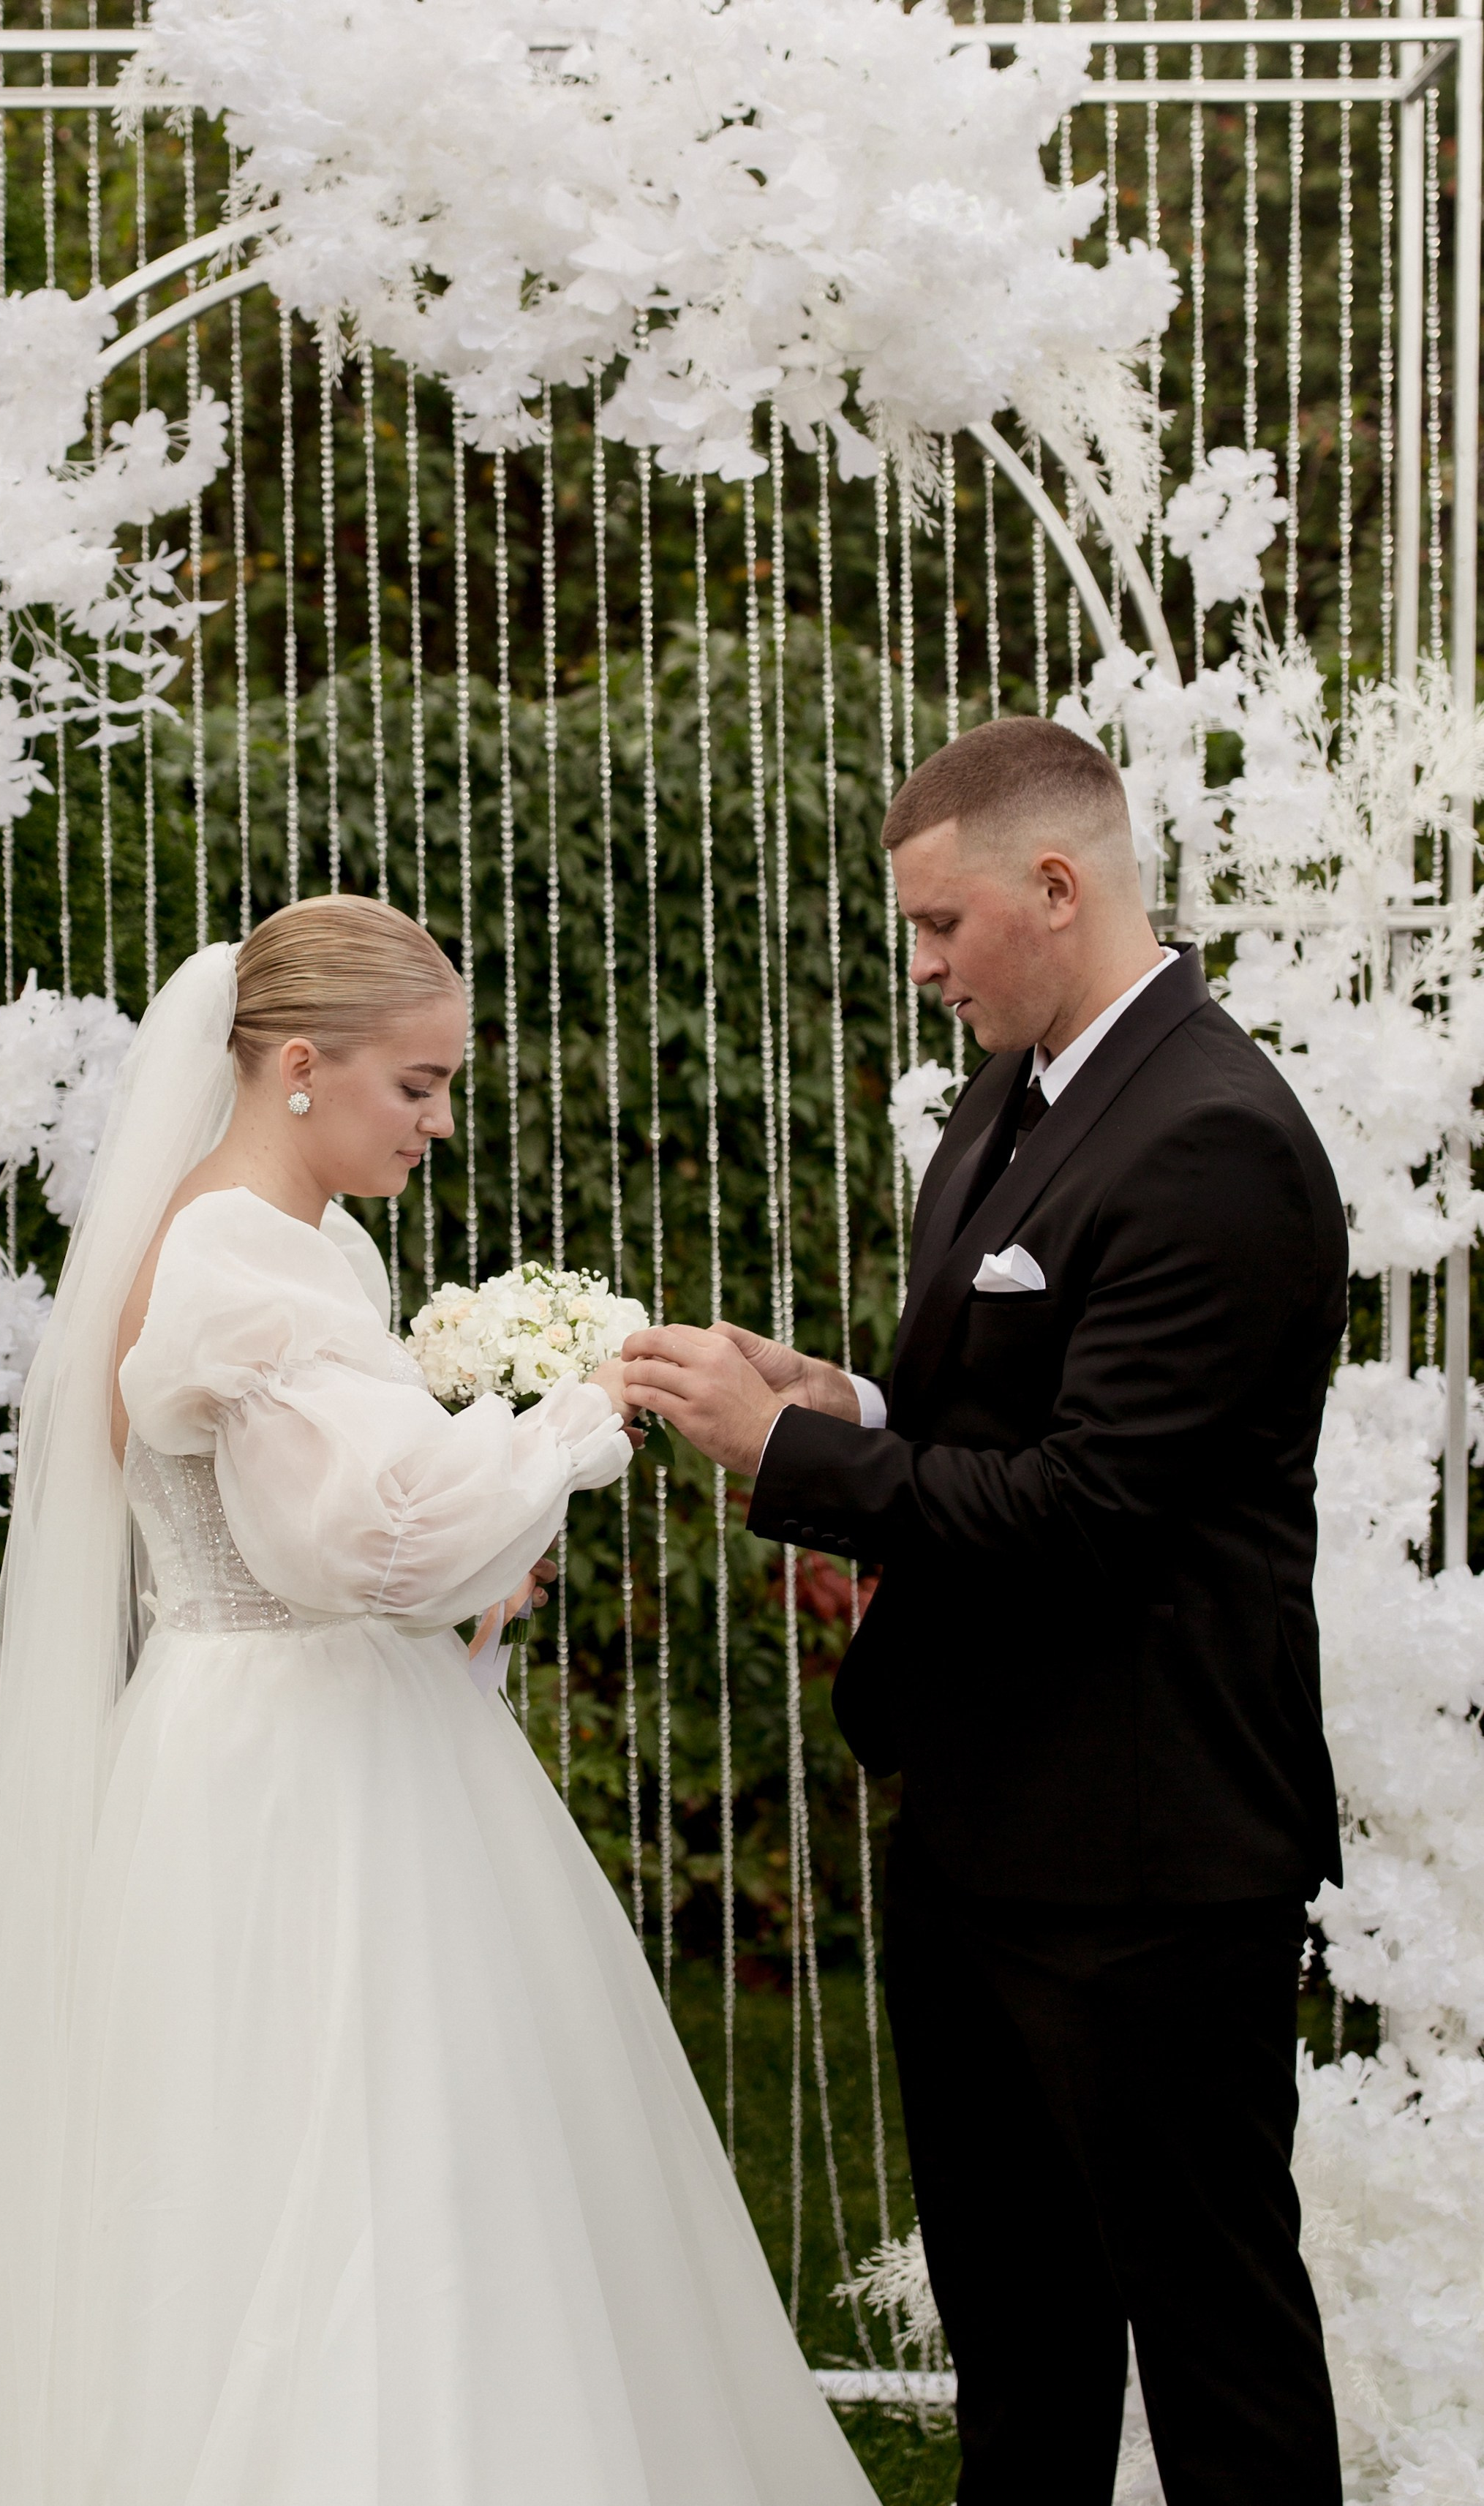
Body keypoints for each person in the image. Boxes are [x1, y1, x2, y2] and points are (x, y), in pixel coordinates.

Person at [0, 895, 879, 2506]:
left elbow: (336, 1529)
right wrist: (570, 1421)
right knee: (333, 2159)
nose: (438, 1123)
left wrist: (480, 1538)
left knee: (399, 2157)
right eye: (419, 1085)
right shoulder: (237, 1259)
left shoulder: (294, 1241)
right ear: (301, 1064)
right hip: (289, 1764)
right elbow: (362, 1543)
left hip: (302, 1722)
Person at [622, 713, 1348, 2506]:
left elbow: (1093, 1512)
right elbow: (997, 1419)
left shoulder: (1212, 1135)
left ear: (1056, 883)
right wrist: (847, 1401)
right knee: (1014, 2338)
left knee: (1212, 2338)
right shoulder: (1010, 1093)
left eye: (941, 926)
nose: (924, 967)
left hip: (1147, 1853)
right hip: (972, 1820)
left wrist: (788, 1454)